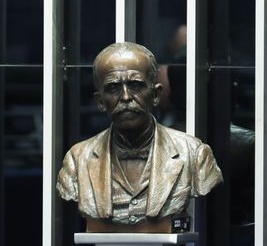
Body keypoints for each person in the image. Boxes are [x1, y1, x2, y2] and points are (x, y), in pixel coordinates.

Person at [56, 42, 222, 225]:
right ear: (100, 101)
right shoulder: (77, 160)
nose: (126, 97)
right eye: (113, 88)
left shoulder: (194, 154)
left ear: (156, 94)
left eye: (135, 85)